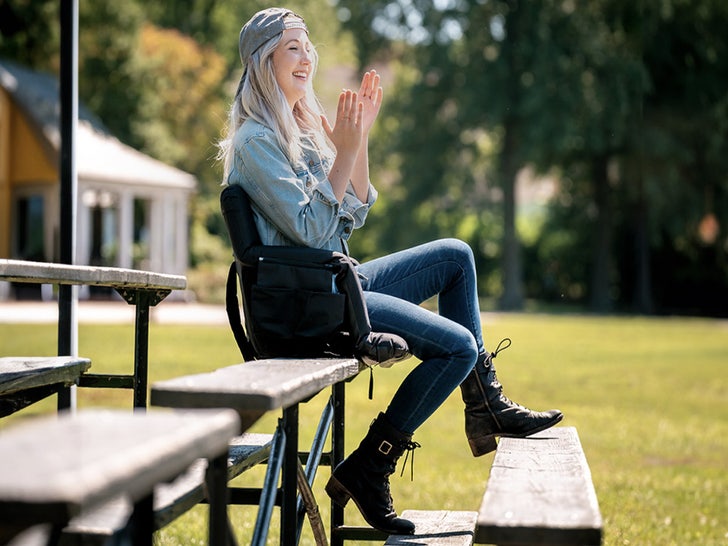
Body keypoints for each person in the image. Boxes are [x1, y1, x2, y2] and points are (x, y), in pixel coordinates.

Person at [219, 7, 563, 536]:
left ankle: (486, 405)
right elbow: (313, 231)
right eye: (292, 47)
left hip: (334, 283)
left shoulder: (296, 130)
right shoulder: (256, 142)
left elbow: (352, 213)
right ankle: (370, 465)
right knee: (457, 347)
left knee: (456, 255)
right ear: (263, 62)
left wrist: (358, 147)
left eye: (308, 46)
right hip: (307, 307)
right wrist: (346, 150)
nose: (306, 56)